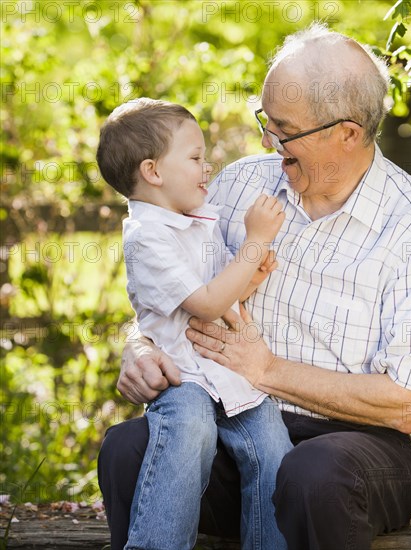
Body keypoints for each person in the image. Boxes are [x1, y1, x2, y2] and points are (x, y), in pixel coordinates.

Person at [98, 23, 411, 550]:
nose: (267, 140)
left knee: (312, 473)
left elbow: (407, 405)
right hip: (236, 417)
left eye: (283, 128)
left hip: (359, 450)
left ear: (348, 134)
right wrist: (139, 345)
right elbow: (172, 281)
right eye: (265, 121)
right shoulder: (237, 184)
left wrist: (268, 370)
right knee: (129, 447)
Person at [96, 97, 293, 550]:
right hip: (185, 377)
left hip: (230, 375)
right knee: (188, 433)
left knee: (272, 449)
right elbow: (205, 304)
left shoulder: (197, 220)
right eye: (195, 157)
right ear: (153, 172)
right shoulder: (147, 238)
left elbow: (223, 292)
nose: (208, 167)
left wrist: (249, 274)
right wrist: (256, 240)